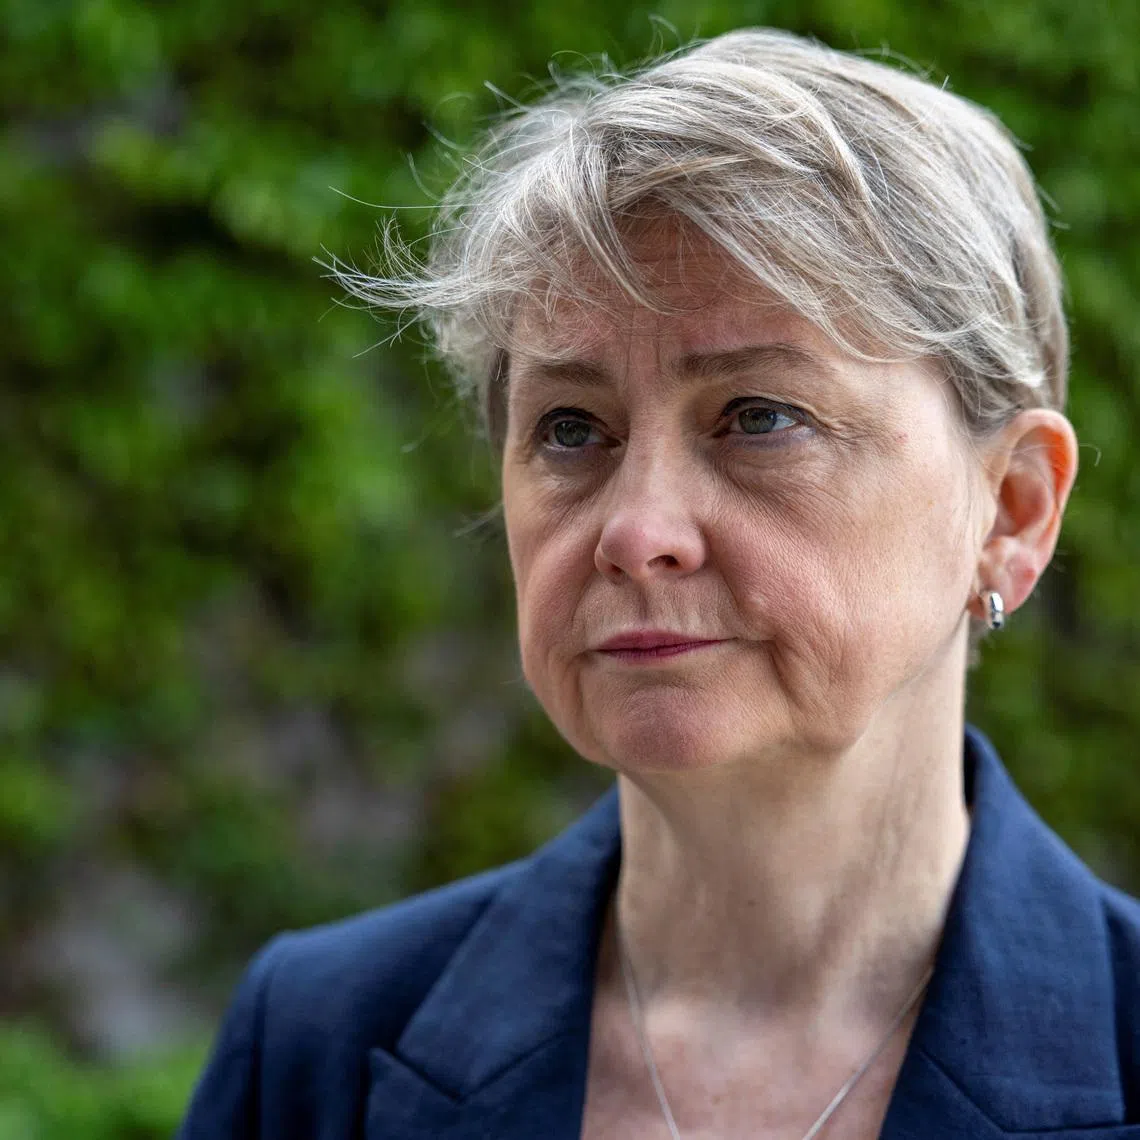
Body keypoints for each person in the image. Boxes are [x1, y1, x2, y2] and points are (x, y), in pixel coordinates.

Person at [177, 28, 1140, 1140]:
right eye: (572, 428)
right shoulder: (319, 1049)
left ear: (1012, 510)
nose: (636, 532)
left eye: (761, 418)